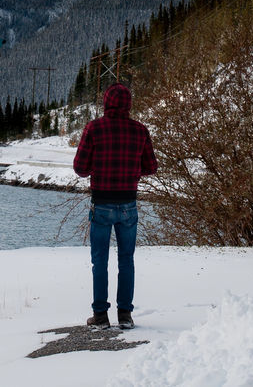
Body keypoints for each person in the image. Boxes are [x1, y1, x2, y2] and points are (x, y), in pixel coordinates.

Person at [72, 81, 157, 330]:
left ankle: (100, 316)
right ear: (129, 105)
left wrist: (98, 167)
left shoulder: (94, 129)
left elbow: (80, 168)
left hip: (101, 203)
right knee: (126, 260)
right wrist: (132, 170)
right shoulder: (140, 130)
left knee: (100, 260)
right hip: (128, 204)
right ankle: (125, 315)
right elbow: (151, 167)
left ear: (106, 103)